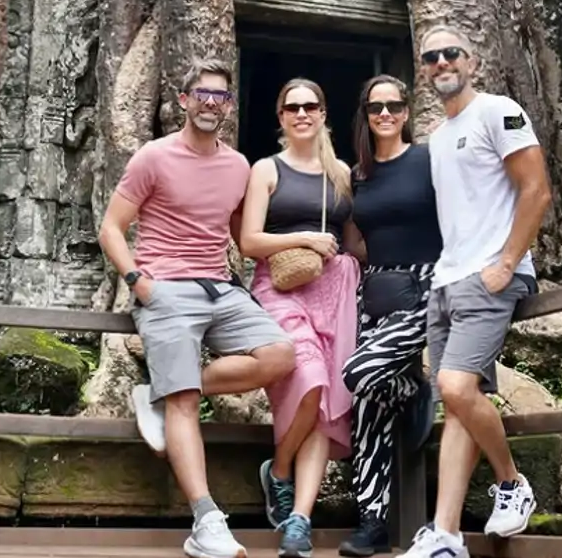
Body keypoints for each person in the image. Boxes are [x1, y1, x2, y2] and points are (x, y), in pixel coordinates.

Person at [98, 58, 296, 558]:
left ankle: (164, 389)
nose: (211, 102)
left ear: (229, 107)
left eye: (221, 96)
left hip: (221, 289)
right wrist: (140, 282)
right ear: (184, 100)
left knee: (280, 355)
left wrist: (294, 253)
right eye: (202, 94)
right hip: (164, 289)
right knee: (184, 402)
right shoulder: (153, 157)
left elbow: (240, 234)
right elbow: (111, 228)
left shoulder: (237, 166)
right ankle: (207, 522)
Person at [400, 26, 552, 558]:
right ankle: (444, 535)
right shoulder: (438, 136)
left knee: (457, 387)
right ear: (423, 69)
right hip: (448, 280)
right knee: (458, 404)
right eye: (431, 57)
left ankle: (511, 484)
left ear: (473, 61)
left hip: (490, 275)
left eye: (451, 53)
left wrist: (507, 261)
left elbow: (537, 188)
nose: (441, 62)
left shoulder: (499, 110)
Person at [240, 78, 362, 558]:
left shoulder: (342, 173)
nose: (302, 113)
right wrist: (305, 240)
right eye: (292, 107)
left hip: (334, 289)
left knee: (328, 402)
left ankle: (300, 520)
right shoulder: (266, 170)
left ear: (324, 113)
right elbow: (250, 241)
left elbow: (354, 243)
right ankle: (281, 469)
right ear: (281, 117)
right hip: (280, 287)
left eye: (310, 105)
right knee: (310, 379)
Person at [338, 75, 443, 557]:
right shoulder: (359, 174)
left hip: (424, 283)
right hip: (374, 289)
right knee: (367, 405)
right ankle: (372, 520)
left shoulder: (427, 160)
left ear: (406, 111)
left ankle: (417, 390)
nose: (385, 113)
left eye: (394, 105)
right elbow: (357, 240)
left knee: (360, 372)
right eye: (375, 106)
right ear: (365, 112)